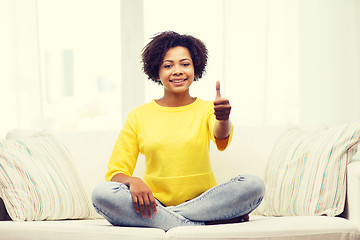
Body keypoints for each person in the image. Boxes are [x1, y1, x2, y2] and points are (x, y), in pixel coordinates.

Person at [92, 31, 265, 231]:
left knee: (254, 185)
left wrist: (223, 118)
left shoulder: (207, 109)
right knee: (101, 194)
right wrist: (132, 181)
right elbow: (115, 172)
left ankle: (167, 221)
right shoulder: (138, 115)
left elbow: (220, 134)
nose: (177, 71)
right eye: (168, 65)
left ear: (195, 68)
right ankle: (204, 223)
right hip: (153, 204)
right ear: (157, 72)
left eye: (185, 64)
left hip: (205, 202)